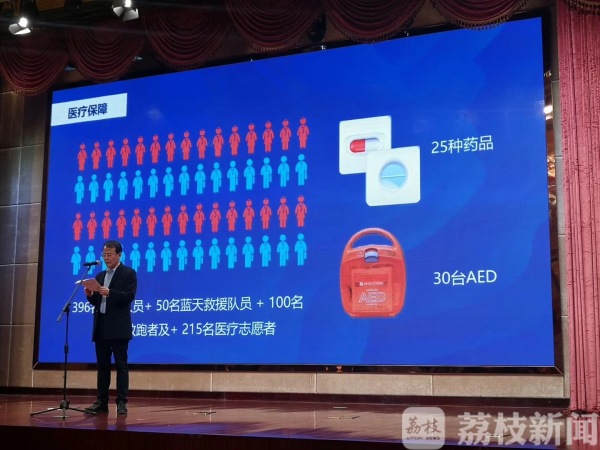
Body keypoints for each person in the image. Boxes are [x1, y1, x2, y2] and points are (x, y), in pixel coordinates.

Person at [83, 240, 137, 415]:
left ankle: (121, 402)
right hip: (101, 327)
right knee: (103, 366)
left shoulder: (128, 273)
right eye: (104, 255)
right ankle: (102, 401)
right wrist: (90, 295)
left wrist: (110, 293)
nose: (106, 258)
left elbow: (129, 296)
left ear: (119, 255)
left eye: (110, 255)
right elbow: (97, 302)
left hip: (119, 328)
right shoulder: (100, 276)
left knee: (121, 365)